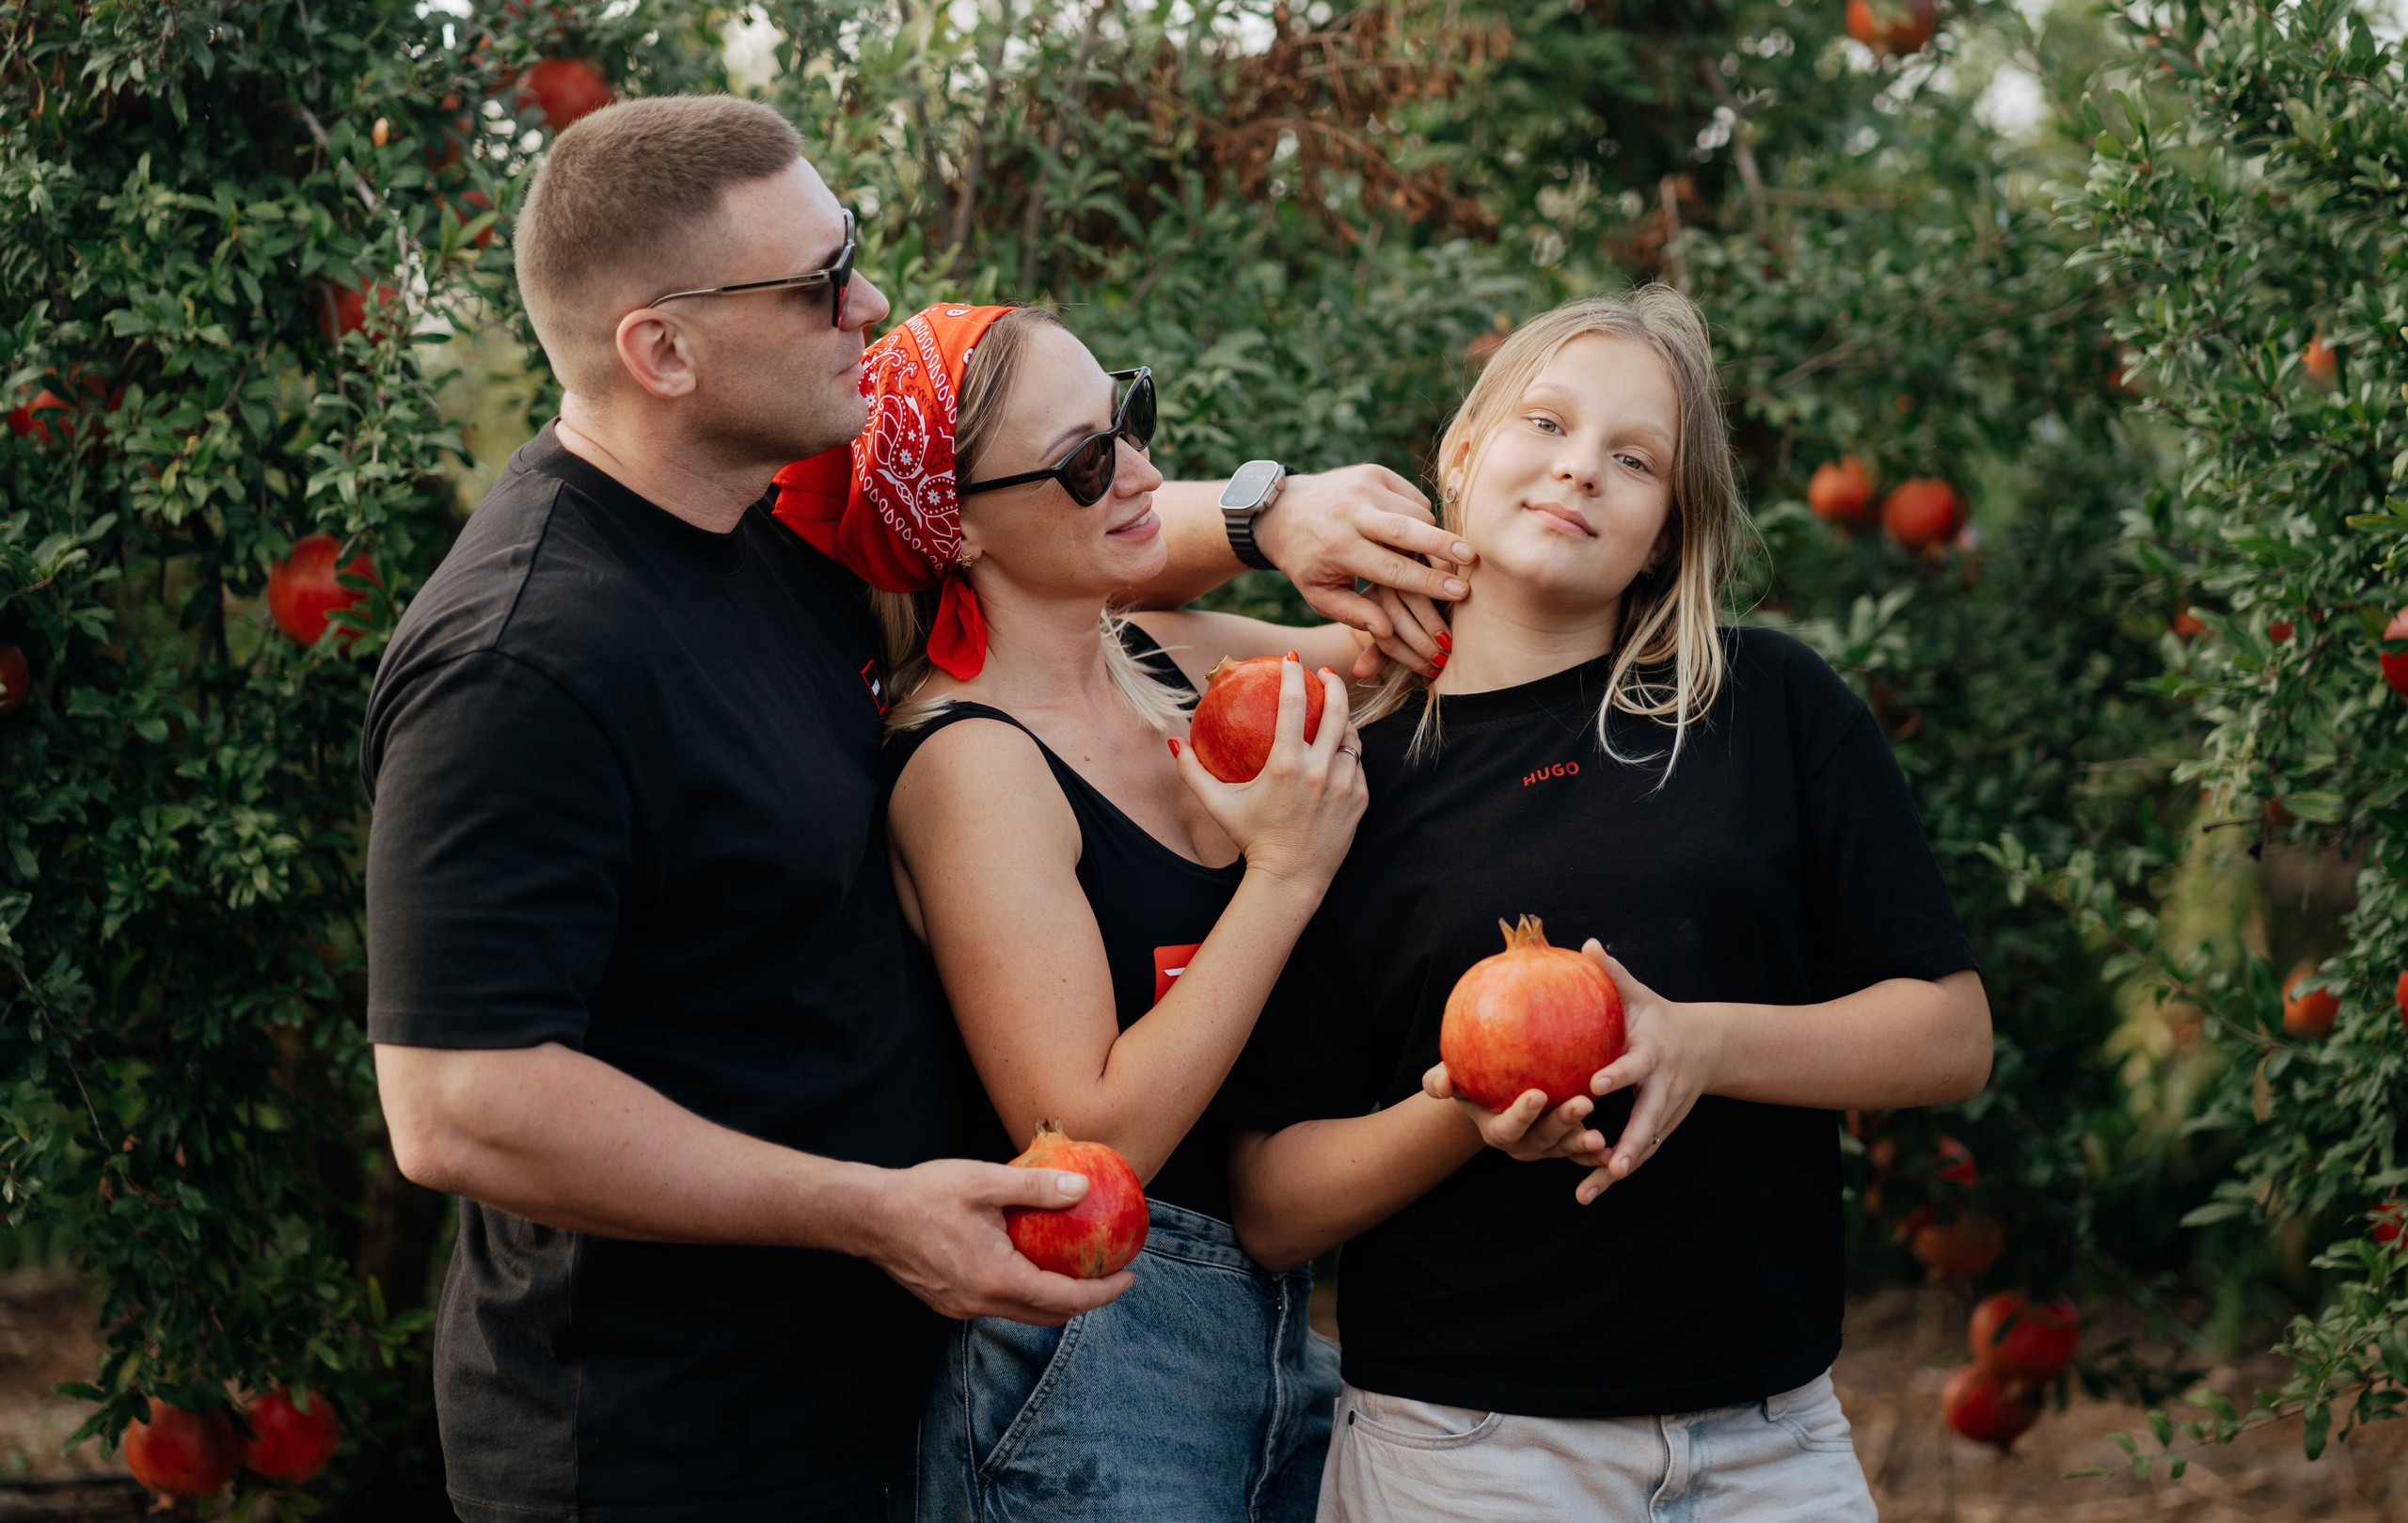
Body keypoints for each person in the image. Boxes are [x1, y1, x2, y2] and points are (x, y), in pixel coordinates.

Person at [361, 95, 1473, 1523]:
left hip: (896, 1398)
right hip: (662, 1451)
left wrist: (1269, 515)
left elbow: (1029, 535)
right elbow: (462, 1108)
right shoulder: (524, 659)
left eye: (851, 252)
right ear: (663, 348)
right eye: (818, 283)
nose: (866, 302)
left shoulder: (766, 540)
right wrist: (869, 1210)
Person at [1223, 289, 1994, 1520]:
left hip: (1773, 1442)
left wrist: (1702, 1042)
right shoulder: (1346, 779)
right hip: (1467, 1450)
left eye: (1636, 460)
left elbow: (1949, 1037)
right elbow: (1271, 1204)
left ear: (1667, 532)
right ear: (1464, 454)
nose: (1581, 468)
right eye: (1547, 421)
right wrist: (1466, 1112)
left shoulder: (1768, 708)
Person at [782, 301, 1370, 1520]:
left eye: (1132, 416)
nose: (1148, 472)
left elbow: (1394, 664)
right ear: (962, 528)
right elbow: (1088, 1143)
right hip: (1097, 1362)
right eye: (1088, 462)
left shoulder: (1152, 654)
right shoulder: (968, 764)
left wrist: (1308, 514)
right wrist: (1287, 877)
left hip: (1274, 1325)